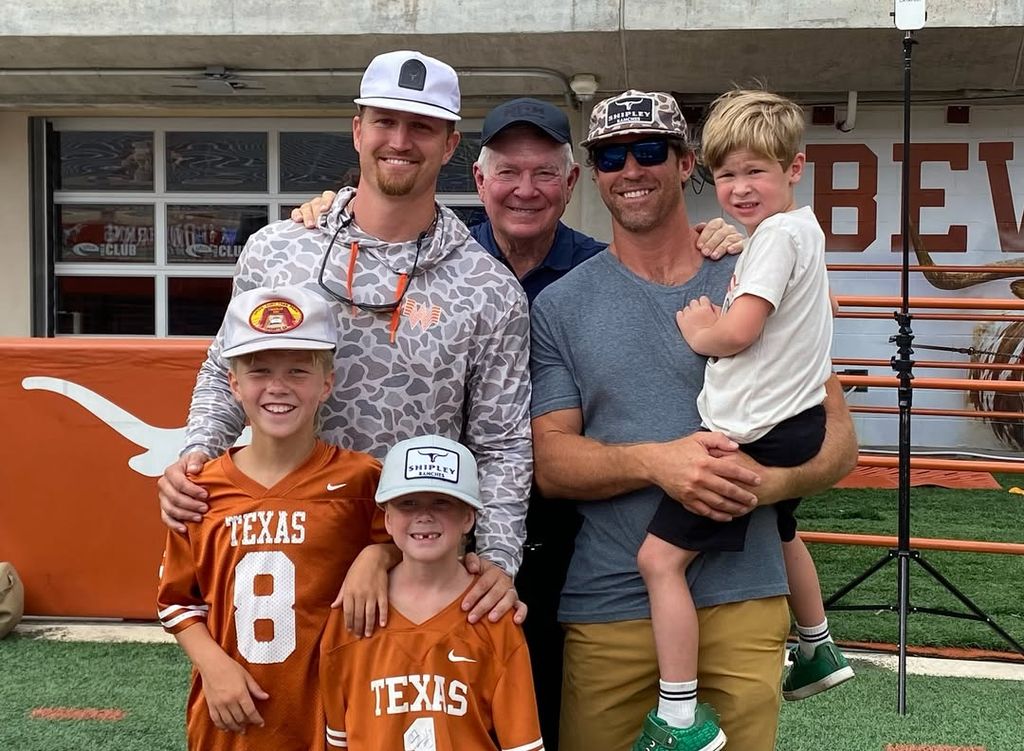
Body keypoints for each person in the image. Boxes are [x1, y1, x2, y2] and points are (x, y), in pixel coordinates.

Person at [290, 96, 743, 751]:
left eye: (543, 173)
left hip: (572, 531)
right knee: (438, 715)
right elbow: (370, 234)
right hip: (449, 528)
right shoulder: (445, 262)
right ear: (478, 179)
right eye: (507, 172)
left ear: (570, 183)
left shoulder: (598, 272)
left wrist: (723, 236)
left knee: (544, 712)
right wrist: (330, 211)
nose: (524, 190)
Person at [528, 89, 859, 751]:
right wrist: (659, 461)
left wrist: (761, 485)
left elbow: (840, 441)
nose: (631, 169)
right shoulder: (561, 305)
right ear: (594, 173)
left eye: (650, 150)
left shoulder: (754, 271)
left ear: (685, 165)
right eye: (612, 156)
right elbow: (551, 462)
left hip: (743, 596)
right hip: (611, 604)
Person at [158, 50, 532, 629]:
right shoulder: (279, 249)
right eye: (385, 120)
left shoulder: (488, 288)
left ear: (451, 144)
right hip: (281, 547)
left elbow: (503, 444)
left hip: (415, 565)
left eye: (422, 126)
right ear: (358, 130)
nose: (400, 140)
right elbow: (221, 371)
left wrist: (500, 561)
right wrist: (198, 454)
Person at [633, 88, 853, 751]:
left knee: (658, 560)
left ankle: (678, 716)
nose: (739, 187)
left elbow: (741, 330)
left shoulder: (775, 241)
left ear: (794, 167)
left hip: (759, 428)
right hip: (792, 419)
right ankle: (816, 645)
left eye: (756, 170)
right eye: (726, 173)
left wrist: (705, 330)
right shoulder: (801, 231)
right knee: (782, 526)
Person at [157, 284, 388, 750]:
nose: (278, 387)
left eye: (298, 371)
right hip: (232, 719)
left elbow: (416, 553)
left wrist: (380, 556)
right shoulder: (203, 488)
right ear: (234, 384)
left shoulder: (365, 480)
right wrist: (214, 667)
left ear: (327, 383)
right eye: (259, 371)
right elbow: (177, 601)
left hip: (334, 716)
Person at [320, 434, 544, 751]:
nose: (424, 515)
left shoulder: (492, 613)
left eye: (442, 501)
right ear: (388, 517)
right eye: (408, 503)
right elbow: (338, 741)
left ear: (469, 517)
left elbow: (522, 745)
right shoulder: (355, 611)